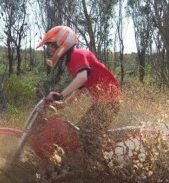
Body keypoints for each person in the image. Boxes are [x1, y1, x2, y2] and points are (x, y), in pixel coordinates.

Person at [37, 25, 122, 169]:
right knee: (80, 134)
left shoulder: (78, 55)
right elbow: (80, 89)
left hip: (110, 101)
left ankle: (100, 170)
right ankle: (89, 166)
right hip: (105, 102)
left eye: (52, 45)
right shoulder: (73, 61)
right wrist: (63, 104)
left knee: (85, 136)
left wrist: (61, 95)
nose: (50, 50)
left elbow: (82, 78)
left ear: (62, 42)